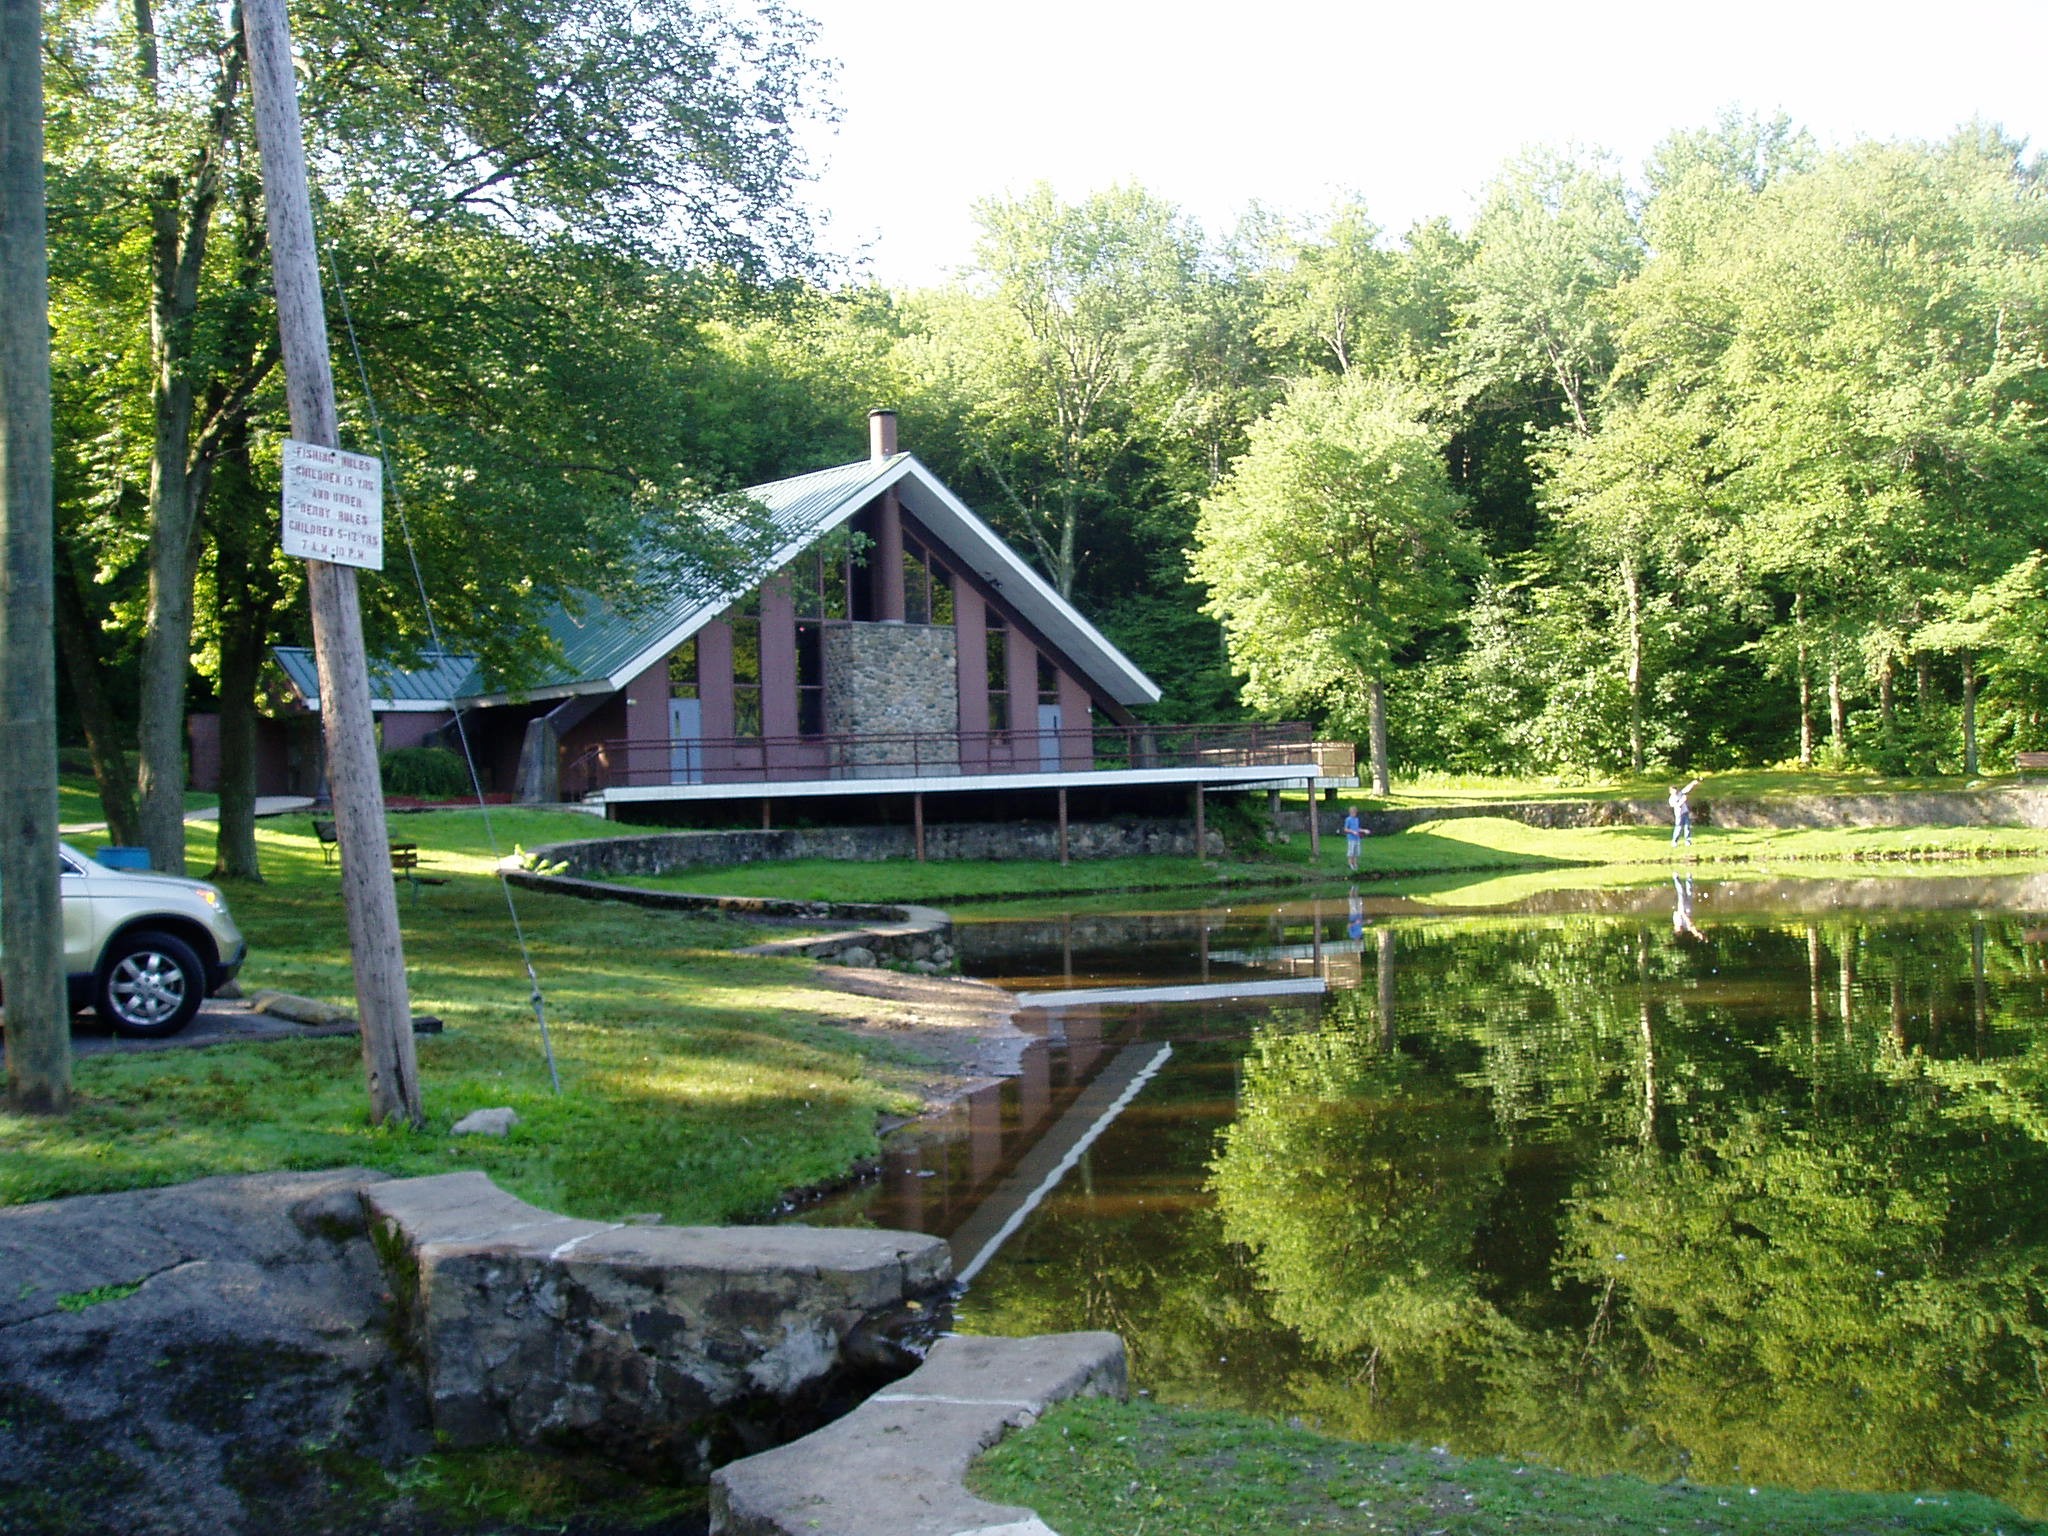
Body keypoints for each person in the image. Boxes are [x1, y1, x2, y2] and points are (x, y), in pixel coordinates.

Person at [1668, 779, 1700, 847]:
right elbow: (1676, 805)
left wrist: (1693, 783)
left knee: (1687, 827)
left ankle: (1688, 841)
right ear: (1670, 792)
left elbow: (1687, 788)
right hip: (1679, 815)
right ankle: (1674, 841)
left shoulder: (1680, 793)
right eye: (1673, 790)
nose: (1675, 791)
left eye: (1675, 790)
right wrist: (1682, 800)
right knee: (1678, 828)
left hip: (1685, 813)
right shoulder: (1671, 799)